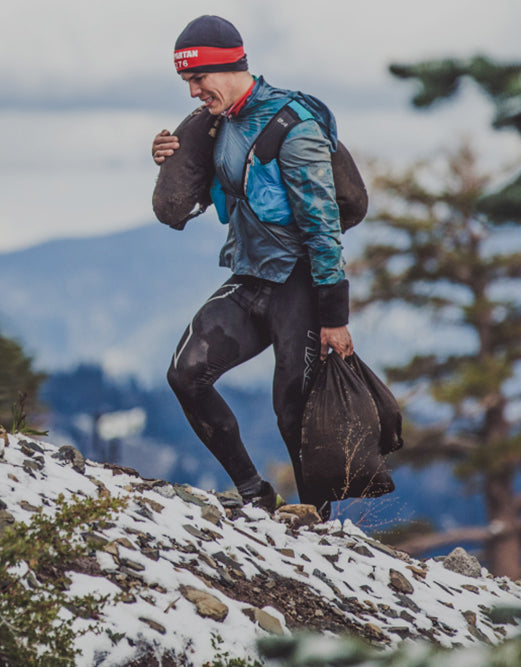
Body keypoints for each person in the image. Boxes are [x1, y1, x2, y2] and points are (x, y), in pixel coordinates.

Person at [153, 15, 352, 516]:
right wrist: (170, 161)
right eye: (187, 82)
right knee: (186, 374)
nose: (194, 91)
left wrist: (335, 316)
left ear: (228, 65)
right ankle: (254, 493)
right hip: (248, 277)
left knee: (293, 409)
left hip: (299, 286)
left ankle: (316, 521)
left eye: (198, 79)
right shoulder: (219, 123)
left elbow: (323, 223)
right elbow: (196, 193)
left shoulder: (293, 125)